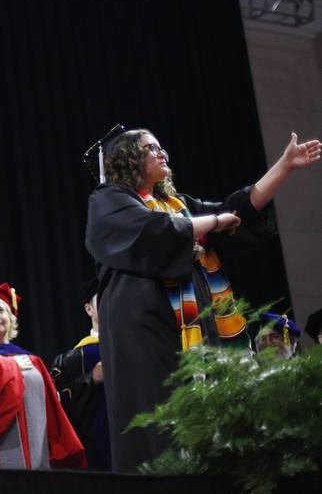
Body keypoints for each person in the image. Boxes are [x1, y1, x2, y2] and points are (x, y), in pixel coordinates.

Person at [85, 127, 320, 472]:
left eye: (162, 147)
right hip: (147, 328)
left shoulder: (178, 207)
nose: (163, 152)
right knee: (161, 418)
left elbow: (237, 211)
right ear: (129, 159)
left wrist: (283, 166)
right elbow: (154, 231)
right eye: (152, 148)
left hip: (197, 327)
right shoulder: (109, 200)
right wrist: (212, 222)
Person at [0, 281, 85, 469]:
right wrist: (9, 368)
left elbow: (53, 413)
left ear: (11, 317)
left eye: (0, 310)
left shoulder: (33, 361)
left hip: (38, 457)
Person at [50, 280, 110, 470]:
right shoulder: (71, 360)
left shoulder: (135, 350)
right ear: (88, 309)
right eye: (102, 301)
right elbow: (56, 404)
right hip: (91, 453)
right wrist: (90, 379)